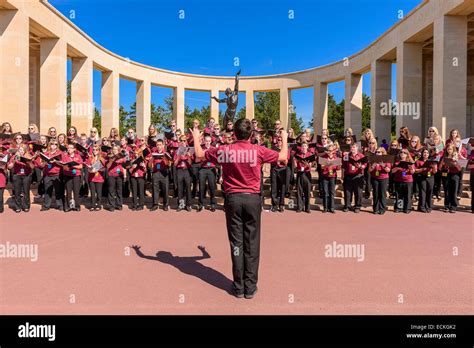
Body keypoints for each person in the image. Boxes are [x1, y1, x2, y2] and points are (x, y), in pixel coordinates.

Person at [192, 119, 287, 299]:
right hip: (252, 199)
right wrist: (284, 138)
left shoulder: (224, 150)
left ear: (234, 134)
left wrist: (196, 137)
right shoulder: (258, 150)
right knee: (252, 243)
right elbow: (283, 157)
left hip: (233, 200)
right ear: (251, 134)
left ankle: (238, 286)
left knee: (236, 243)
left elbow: (198, 154)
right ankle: (250, 288)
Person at [8, 144, 34, 213]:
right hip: (17, 175)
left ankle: (26, 206)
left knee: (26, 191)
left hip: (26, 175)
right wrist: (14, 161)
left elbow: (32, 167)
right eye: (20, 150)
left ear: (25, 151)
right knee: (17, 192)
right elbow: (9, 167)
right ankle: (17, 207)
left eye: (22, 150)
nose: (21, 151)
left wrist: (28, 162)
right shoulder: (14, 156)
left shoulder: (28, 156)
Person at [39, 140, 64, 211]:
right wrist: (44, 163)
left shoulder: (60, 153)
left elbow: (63, 164)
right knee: (47, 190)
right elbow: (42, 164)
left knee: (58, 191)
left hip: (57, 174)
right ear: (49, 145)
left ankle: (60, 205)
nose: (54, 145)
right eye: (52, 144)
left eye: (56, 144)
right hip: (47, 174)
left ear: (57, 146)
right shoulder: (46, 153)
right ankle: (46, 206)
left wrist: (56, 161)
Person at [342, 143, 366, 213]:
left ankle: (357, 206)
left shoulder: (361, 156)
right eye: (351, 147)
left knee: (358, 192)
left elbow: (365, 165)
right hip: (348, 176)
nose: (352, 149)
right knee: (347, 192)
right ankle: (347, 206)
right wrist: (342, 175)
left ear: (357, 148)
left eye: (354, 147)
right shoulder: (346, 156)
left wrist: (361, 166)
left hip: (358, 176)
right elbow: (343, 166)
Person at [438, 143, 462, 213]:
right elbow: (439, 168)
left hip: (454, 175)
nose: (449, 150)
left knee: (454, 191)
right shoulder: (444, 157)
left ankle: (453, 206)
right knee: (447, 191)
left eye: (450, 149)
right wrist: (442, 164)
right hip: (445, 174)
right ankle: (446, 205)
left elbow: (460, 169)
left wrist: (455, 163)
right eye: (448, 149)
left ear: (453, 149)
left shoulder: (457, 157)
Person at [196, 135, 217, 212]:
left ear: (210, 141)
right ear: (204, 141)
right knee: (201, 188)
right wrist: (203, 154)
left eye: (209, 141)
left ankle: (212, 204)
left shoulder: (214, 149)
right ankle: (200, 204)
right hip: (203, 169)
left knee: (212, 187)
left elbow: (216, 159)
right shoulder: (201, 149)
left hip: (211, 169)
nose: (207, 142)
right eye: (206, 141)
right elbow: (197, 159)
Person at [149, 139, 171, 211]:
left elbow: (169, 164)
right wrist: (151, 160)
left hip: (164, 172)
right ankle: (155, 204)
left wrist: (165, 159)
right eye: (157, 145)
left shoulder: (166, 153)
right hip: (155, 172)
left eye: (160, 145)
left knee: (165, 189)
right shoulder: (153, 153)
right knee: (155, 189)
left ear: (163, 145)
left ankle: (165, 205)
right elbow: (149, 165)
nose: (159, 146)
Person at [368, 147, 391, 215]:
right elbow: (369, 170)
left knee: (382, 194)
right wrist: (373, 166)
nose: (377, 153)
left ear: (382, 153)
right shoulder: (372, 159)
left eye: (379, 152)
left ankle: (382, 209)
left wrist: (383, 165)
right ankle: (376, 209)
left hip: (383, 178)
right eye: (376, 152)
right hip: (375, 178)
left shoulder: (386, 159)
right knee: (375, 193)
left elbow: (388, 170)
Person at [61, 143, 83, 212]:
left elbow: (81, 166)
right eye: (68, 148)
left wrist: (73, 166)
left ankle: (77, 206)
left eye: (71, 148)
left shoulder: (78, 156)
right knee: (68, 191)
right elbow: (64, 167)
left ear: (74, 149)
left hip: (76, 175)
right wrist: (66, 167)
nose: (69, 149)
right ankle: (68, 206)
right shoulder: (65, 156)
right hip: (68, 175)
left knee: (76, 191)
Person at [392, 149, 415, 214]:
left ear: (407, 154)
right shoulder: (396, 162)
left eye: (404, 152)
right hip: (398, 180)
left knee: (407, 195)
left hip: (408, 181)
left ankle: (407, 208)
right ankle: (399, 207)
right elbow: (392, 171)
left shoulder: (410, 161)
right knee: (399, 195)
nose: (402, 153)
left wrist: (410, 168)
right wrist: (397, 168)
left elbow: (413, 172)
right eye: (401, 152)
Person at [270, 137, 290, 212]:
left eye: (281, 140)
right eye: (278, 140)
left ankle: (281, 205)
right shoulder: (273, 148)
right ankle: (274, 205)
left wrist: (280, 158)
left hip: (282, 169)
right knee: (274, 187)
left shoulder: (285, 150)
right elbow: (271, 158)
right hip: (274, 168)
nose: (279, 141)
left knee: (282, 187)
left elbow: (286, 161)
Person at [319, 143, 340, 213]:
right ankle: (325, 207)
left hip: (332, 176)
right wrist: (329, 163)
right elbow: (322, 167)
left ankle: (331, 208)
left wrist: (338, 164)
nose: (330, 152)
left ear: (333, 151)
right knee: (325, 192)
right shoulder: (323, 157)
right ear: (327, 150)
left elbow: (338, 168)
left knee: (332, 192)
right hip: (325, 176)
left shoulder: (336, 157)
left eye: (331, 150)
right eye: (328, 150)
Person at [414, 148, 437, 213]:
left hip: (430, 177)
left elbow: (435, 172)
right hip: (422, 177)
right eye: (424, 152)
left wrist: (434, 167)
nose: (425, 154)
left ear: (429, 154)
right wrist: (422, 169)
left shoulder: (432, 161)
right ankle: (422, 207)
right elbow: (415, 170)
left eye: (427, 153)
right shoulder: (418, 161)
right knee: (422, 192)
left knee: (430, 192)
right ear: (422, 153)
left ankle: (428, 206)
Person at [174, 135, 193, 212]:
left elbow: (190, 163)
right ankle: (181, 205)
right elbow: (174, 164)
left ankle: (188, 205)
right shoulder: (177, 151)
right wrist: (179, 157)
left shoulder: (189, 150)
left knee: (188, 188)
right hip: (179, 171)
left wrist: (188, 157)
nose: (183, 142)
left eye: (184, 140)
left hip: (187, 171)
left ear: (186, 141)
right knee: (180, 189)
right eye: (181, 140)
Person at [106, 145, 127, 212]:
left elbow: (124, 167)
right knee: (111, 191)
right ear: (112, 150)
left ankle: (119, 205)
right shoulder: (109, 157)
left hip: (119, 175)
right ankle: (111, 206)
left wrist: (125, 176)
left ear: (118, 150)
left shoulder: (122, 157)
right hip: (111, 175)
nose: (115, 150)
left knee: (119, 191)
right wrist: (111, 161)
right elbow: (107, 166)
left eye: (116, 149)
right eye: (114, 149)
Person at [294, 142, 313, 213]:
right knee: (299, 191)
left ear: (307, 147)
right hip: (300, 174)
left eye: (305, 146)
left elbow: (311, 166)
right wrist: (294, 162)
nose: (304, 147)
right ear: (301, 148)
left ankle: (307, 208)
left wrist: (307, 164)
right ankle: (299, 207)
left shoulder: (310, 155)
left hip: (307, 173)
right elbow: (296, 167)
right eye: (302, 146)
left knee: (307, 191)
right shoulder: (298, 155)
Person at [85, 144, 106, 211]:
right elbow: (87, 167)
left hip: (99, 178)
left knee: (99, 193)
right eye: (93, 150)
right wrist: (90, 169)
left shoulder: (102, 158)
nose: (95, 151)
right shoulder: (90, 158)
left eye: (96, 150)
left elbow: (104, 169)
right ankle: (93, 205)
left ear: (99, 150)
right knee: (92, 193)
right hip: (91, 178)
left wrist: (97, 169)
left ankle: (99, 205)